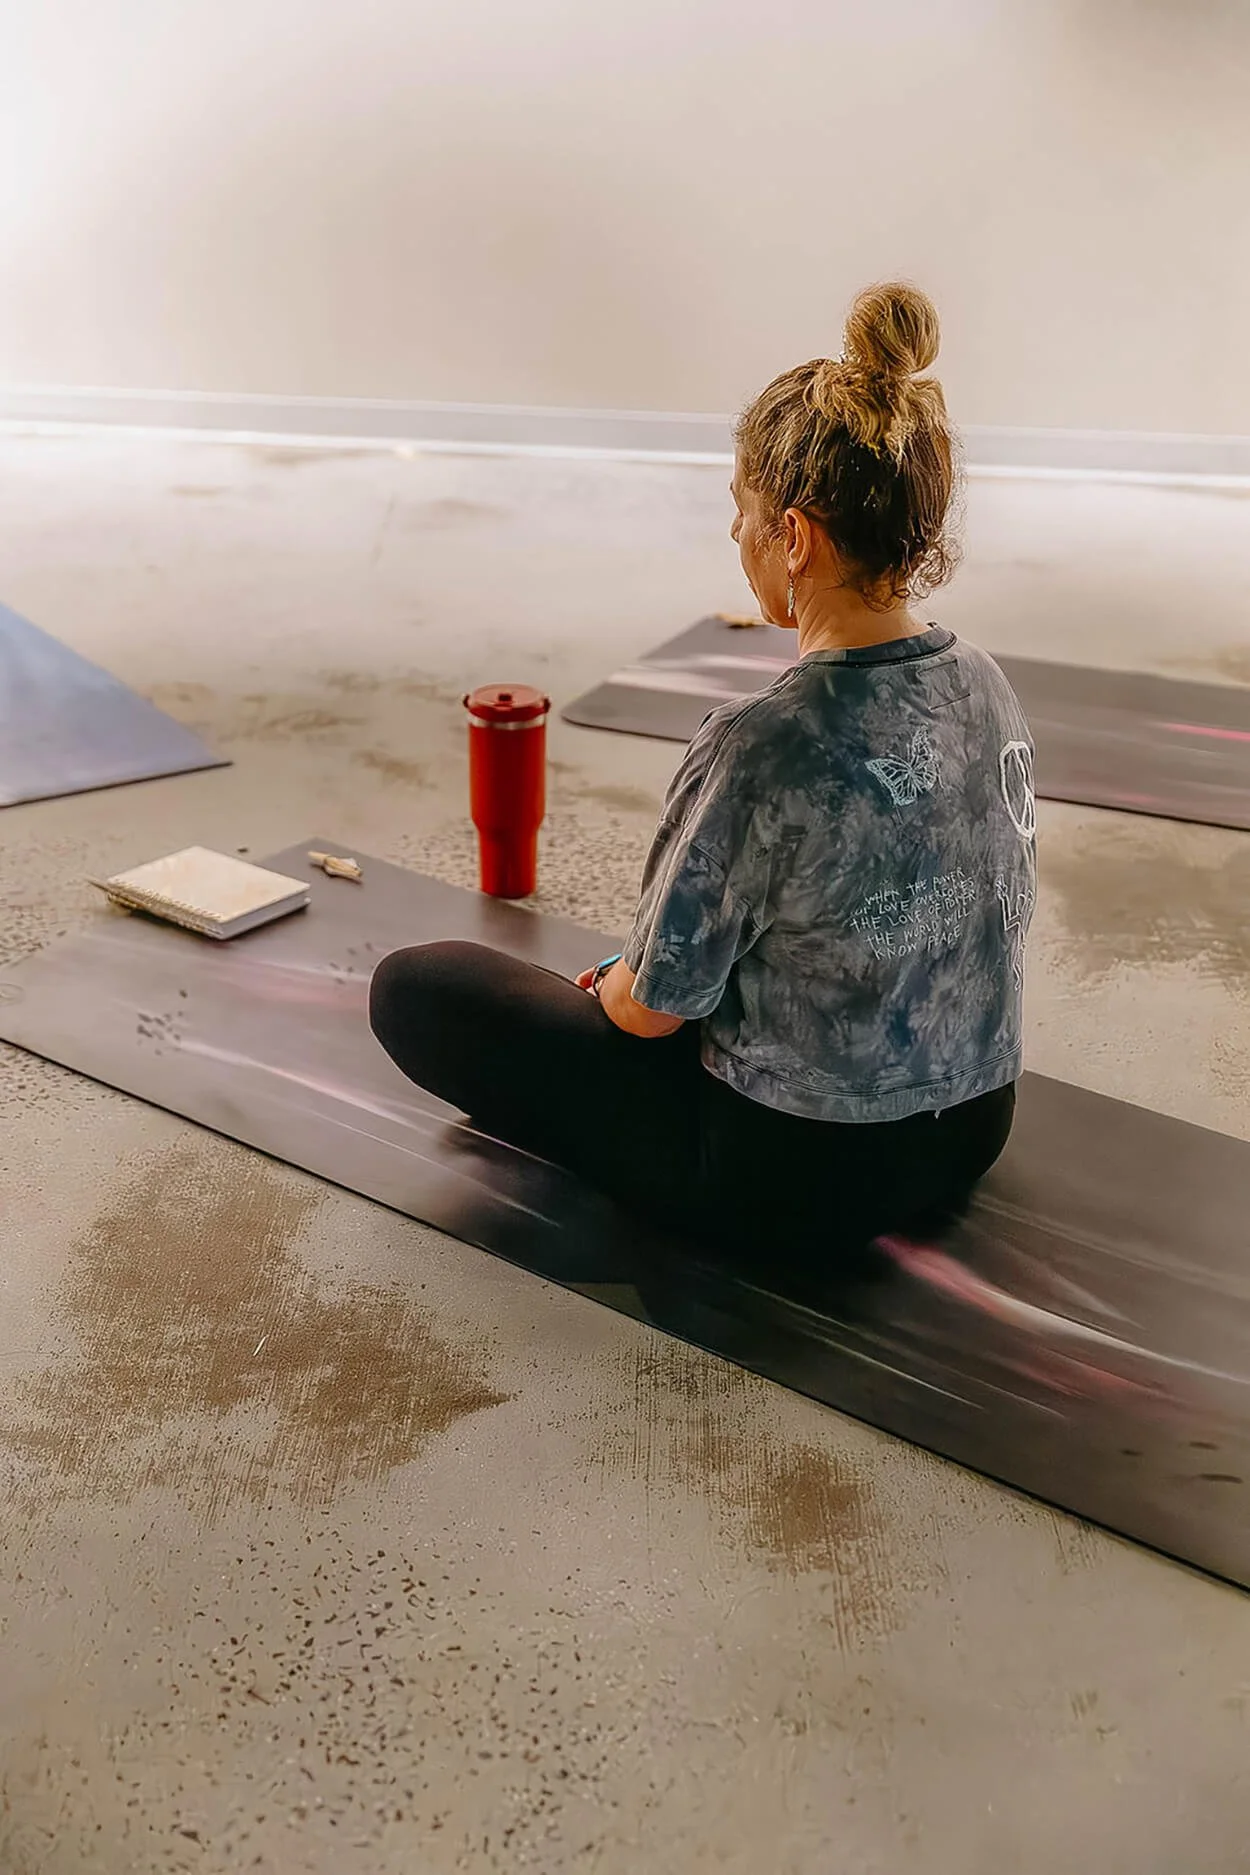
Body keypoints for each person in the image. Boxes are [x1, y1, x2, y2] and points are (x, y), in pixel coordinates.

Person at [369, 282, 1036, 1291]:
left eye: (742, 513)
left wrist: (620, 985)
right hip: (973, 1126)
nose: (736, 537)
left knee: (416, 989)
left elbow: (649, 1016)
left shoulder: (765, 740)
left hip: (796, 1179)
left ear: (796, 536)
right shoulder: (984, 685)